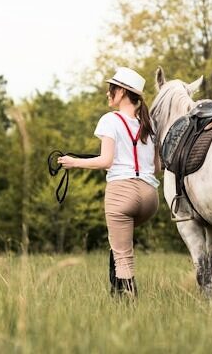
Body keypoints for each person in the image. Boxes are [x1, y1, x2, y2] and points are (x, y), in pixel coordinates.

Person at [58, 67, 160, 297]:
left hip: (122, 193)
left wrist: (74, 163)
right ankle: (118, 293)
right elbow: (157, 167)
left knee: (123, 255)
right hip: (150, 196)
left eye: (111, 89)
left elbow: (106, 161)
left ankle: (125, 305)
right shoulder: (149, 123)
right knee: (119, 245)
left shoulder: (110, 120)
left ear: (122, 92)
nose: (107, 93)